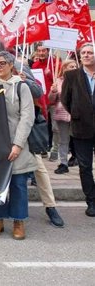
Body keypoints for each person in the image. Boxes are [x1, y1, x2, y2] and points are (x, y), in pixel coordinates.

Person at [0, 51, 36, 240]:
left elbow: (27, 117)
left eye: (2, 63)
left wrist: (18, 144)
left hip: (16, 143)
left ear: (11, 65)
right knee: (0, 184)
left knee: (18, 184)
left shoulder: (21, 87)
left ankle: (18, 221)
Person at [60, 43, 95, 217]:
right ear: (80, 56)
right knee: (85, 166)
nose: (87, 55)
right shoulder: (72, 75)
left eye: (90, 53)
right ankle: (91, 201)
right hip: (82, 128)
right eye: (84, 53)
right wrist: (76, 113)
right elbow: (65, 99)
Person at [48, 59, 78, 175]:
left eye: (75, 66)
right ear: (64, 68)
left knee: (79, 139)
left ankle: (81, 161)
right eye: (71, 66)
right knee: (64, 140)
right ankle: (63, 163)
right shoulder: (58, 81)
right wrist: (53, 91)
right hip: (62, 113)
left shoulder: (81, 81)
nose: (74, 68)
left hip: (77, 114)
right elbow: (51, 100)